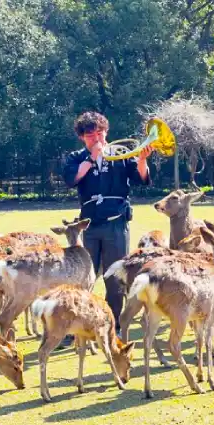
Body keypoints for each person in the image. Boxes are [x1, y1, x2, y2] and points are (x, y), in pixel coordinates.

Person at [60, 111, 153, 347]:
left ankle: (114, 326)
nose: (96, 138)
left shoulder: (121, 155)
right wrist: (92, 158)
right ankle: (73, 328)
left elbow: (141, 179)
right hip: (88, 226)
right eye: (90, 135)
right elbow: (72, 180)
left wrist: (142, 160)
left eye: (100, 133)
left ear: (107, 132)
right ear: (82, 137)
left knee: (114, 279)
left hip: (116, 224)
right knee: (81, 278)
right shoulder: (75, 157)